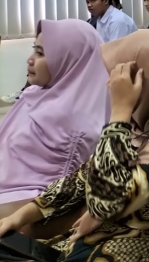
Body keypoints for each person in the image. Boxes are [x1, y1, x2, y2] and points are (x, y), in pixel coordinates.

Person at [0, 30, 149, 262]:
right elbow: (82, 178)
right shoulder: (145, 124)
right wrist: (20, 216)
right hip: (85, 248)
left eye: (119, 78)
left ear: (146, 78)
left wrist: (120, 113)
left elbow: (104, 203)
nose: (110, 85)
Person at [0, 20, 109, 217]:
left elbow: (48, 197)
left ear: (69, 59)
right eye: (35, 50)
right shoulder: (35, 94)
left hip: (21, 210)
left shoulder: (73, 123)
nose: (30, 60)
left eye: (40, 53)